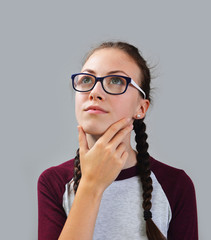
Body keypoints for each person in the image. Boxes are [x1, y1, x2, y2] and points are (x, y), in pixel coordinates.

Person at [37, 41, 198, 240]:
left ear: (141, 108)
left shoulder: (175, 185)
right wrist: (91, 185)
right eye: (87, 79)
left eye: (116, 81)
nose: (95, 92)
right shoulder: (54, 182)